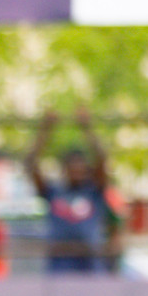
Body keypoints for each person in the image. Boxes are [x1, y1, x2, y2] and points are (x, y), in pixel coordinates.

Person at [26, 108, 110, 274]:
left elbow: (102, 159)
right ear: (64, 169)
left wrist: (87, 128)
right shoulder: (53, 192)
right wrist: (45, 130)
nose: (76, 171)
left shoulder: (94, 191)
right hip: (60, 264)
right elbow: (31, 164)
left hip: (89, 264)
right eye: (72, 166)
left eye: (80, 167)